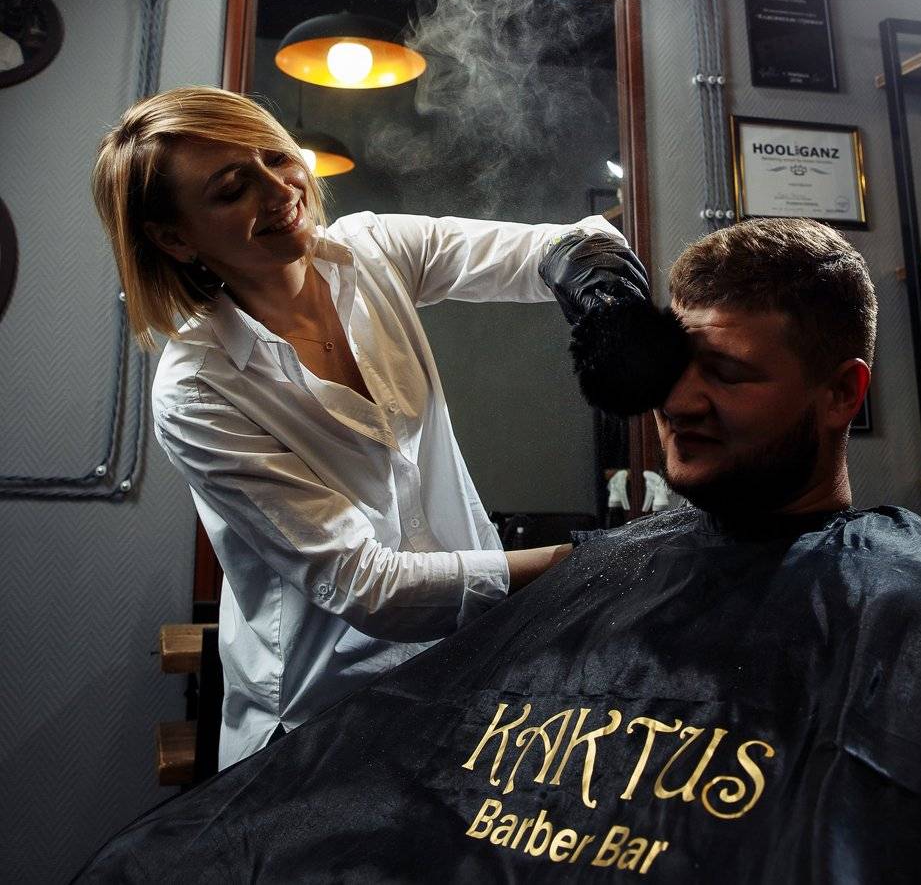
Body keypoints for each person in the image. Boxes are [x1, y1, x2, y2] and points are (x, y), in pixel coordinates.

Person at [75, 218, 921, 883]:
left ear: (843, 394)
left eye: (726, 373)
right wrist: (594, 563)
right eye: (672, 364)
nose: (678, 402)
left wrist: (593, 276)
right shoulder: (196, 381)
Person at [90, 85, 650, 767]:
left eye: (277, 156)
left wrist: (604, 294)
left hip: (465, 670)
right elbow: (369, 588)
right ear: (174, 237)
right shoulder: (200, 390)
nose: (280, 189)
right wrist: (589, 561)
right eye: (233, 188)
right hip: (326, 718)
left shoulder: (371, 251)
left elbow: (557, 247)